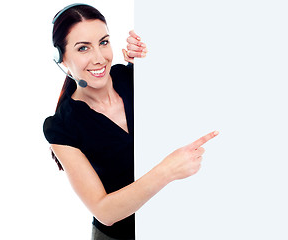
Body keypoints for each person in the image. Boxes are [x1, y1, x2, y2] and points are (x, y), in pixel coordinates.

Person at [43, 3, 218, 240]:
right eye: (83, 48)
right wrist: (167, 170)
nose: (99, 58)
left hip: (171, 223)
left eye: (103, 42)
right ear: (61, 58)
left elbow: (191, 81)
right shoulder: (61, 126)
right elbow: (104, 211)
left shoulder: (132, 76)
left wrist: (153, 53)